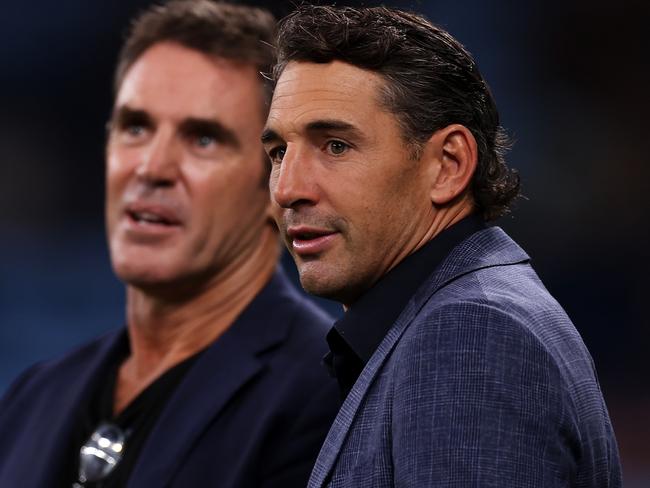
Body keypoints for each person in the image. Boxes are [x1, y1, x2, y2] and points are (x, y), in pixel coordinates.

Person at [263, 5, 622, 487]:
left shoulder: (471, 334)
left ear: (448, 164)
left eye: (335, 146)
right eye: (279, 152)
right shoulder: (458, 315)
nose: (287, 188)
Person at [0, 2, 338, 487]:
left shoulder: (326, 396)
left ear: (277, 185)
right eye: (135, 127)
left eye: (203, 138)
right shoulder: (34, 397)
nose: (151, 168)